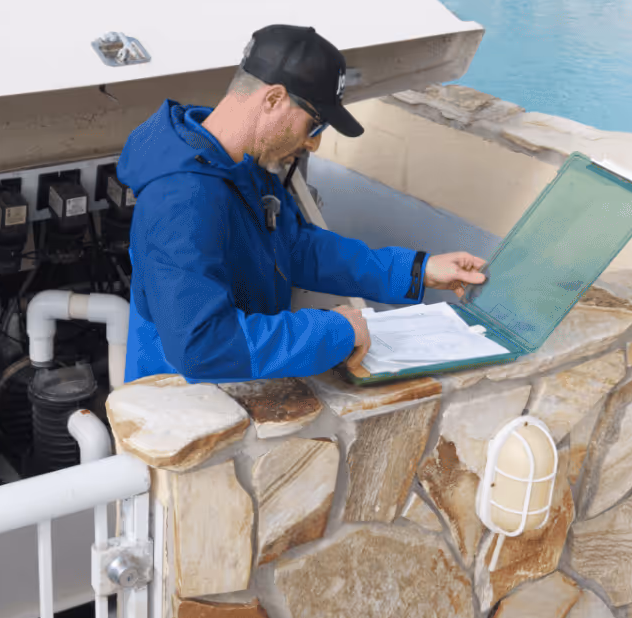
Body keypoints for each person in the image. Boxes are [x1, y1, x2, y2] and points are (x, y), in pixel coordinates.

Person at [117, 24, 488, 384]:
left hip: (238, 382)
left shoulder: (241, 165)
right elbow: (202, 345)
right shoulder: (180, 198)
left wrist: (416, 270)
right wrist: (332, 330)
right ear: (274, 99)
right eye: (314, 124)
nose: (313, 144)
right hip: (183, 411)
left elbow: (296, 248)